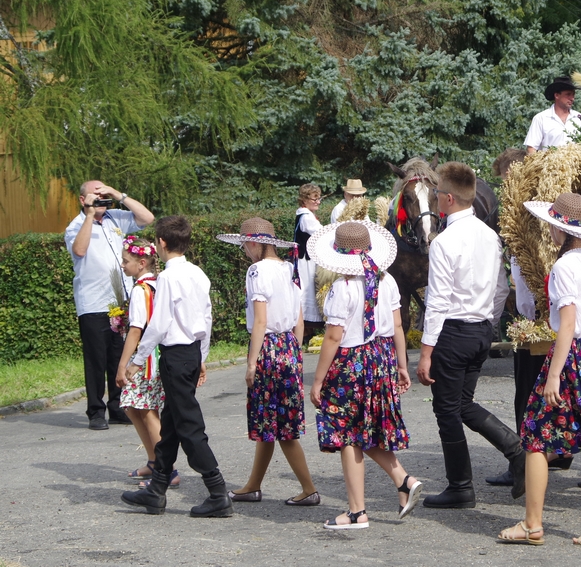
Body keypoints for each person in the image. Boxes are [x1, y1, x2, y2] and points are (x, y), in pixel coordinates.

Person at [497, 192, 581, 547]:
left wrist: (553, 374)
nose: (549, 230)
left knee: (535, 435)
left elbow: (567, 324)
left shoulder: (565, 267)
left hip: (573, 357)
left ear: (563, 230)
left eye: (552, 225)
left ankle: (532, 524)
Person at [416, 161, 526, 508]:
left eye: (437, 194)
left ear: (448, 198)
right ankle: (514, 450)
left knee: (447, 411)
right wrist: (487, 323)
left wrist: (426, 352)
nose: (435, 199)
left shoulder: (444, 242)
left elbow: (438, 301)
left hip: (453, 331)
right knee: (462, 404)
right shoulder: (490, 236)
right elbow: (501, 289)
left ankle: (461, 486)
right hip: (480, 330)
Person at [308, 221, 422, 529]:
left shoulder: (342, 288)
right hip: (382, 358)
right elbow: (398, 326)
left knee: (346, 430)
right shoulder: (387, 280)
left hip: (351, 362)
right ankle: (403, 480)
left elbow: (334, 337)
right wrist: (402, 365)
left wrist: (317, 380)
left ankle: (357, 512)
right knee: (365, 428)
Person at [120, 216, 233, 518]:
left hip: (175, 355)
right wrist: (202, 357)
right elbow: (207, 318)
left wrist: (137, 360)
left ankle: (218, 492)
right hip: (191, 352)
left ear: (161, 243)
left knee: (189, 426)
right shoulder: (197, 273)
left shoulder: (169, 278)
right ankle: (157, 490)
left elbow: (159, 324)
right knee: (170, 424)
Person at [216, 218, 320, 506]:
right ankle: (253, 485)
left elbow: (261, 321)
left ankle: (309, 489)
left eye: (244, 246)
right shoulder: (289, 268)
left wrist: (252, 363)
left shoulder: (257, 270)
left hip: (269, 348)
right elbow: (299, 319)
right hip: (289, 346)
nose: (244, 251)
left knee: (280, 425)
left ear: (253, 243)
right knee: (270, 422)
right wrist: (295, 352)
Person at [65, 181, 154, 430]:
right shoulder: (75, 225)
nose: (101, 201)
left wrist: (117, 194)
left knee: (118, 355)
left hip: (120, 301)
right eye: (96, 197)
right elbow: (79, 250)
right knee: (96, 359)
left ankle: (117, 407)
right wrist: (90, 215)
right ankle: (96, 411)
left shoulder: (115, 217)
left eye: (103, 196)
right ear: (83, 200)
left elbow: (147, 218)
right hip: (93, 303)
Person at [115, 236, 179, 487]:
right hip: (155, 354)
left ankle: (167, 468)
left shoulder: (141, 289)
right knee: (133, 407)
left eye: (126, 261)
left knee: (147, 410)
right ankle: (154, 460)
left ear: (141, 263)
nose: (122, 265)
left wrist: (122, 365)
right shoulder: (156, 284)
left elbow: (136, 330)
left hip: (145, 358)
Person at [524, 77, 581, 154]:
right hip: (549, 161)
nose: (572, 98)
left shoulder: (579, 118)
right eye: (568, 94)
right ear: (557, 95)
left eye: (573, 94)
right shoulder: (541, 119)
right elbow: (531, 149)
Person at [294, 183, 324, 342]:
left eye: (319, 198)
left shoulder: (306, 215)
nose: (318, 201)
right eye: (314, 199)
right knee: (306, 292)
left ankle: (305, 333)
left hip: (307, 260)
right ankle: (302, 333)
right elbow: (321, 233)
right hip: (305, 262)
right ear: (304, 200)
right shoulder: (306, 217)